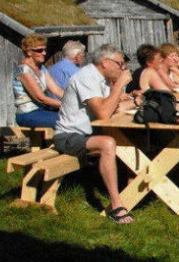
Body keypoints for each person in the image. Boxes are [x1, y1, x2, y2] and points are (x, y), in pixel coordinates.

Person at [53, 44, 135, 223]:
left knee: (134, 138)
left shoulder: (101, 79)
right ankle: (117, 204)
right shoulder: (87, 77)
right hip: (69, 136)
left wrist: (127, 99)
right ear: (105, 62)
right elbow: (105, 113)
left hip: (88, 133)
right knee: (107, 143)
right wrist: (119, 86)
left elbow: (113, 107)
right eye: (120, 64)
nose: (123, 68)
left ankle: (134, 189)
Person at [13, 35, 65, 127]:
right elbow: (40, 98)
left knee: (79, 117)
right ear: (29, 52)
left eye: (44, 50)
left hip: (43, 111)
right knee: (69, 121)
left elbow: (57, 90)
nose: (44, 53)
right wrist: (67, 105)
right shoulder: (24, 70)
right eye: (39, 50)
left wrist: (76, 99)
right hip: (27, 114)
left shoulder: (42, 69)